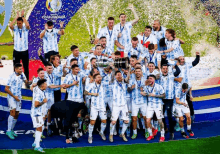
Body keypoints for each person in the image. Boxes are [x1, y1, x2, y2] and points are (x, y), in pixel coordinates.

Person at [5, 63, 28, 140]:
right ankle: (8, 131)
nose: (21, 70)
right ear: (15, 69)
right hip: (12, 97)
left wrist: (31, 81)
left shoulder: (22, 75)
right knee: (13, 112)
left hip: (19, 97)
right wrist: (14, 96)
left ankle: (11, 129)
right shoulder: (11, 77)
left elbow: (27, 83)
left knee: (17, 114)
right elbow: (6, 89)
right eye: (20, 69)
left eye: (22, 69)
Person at [176, 52, 200, 122]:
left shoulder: (187, 64)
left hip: (187, 88)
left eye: (183, 59)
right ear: (178, 60)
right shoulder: (176, 67)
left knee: (189, 102)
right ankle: (179, 118)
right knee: (178, 103)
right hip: (179, 88)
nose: (182, 60)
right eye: (181, 59)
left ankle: (192, 115)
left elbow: (195, 62)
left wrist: (197, 56)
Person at [141, 75, 166, 142]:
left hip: (158, 105)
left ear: (154, 79)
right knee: (147, 120)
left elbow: (164, 95)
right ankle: (151, 134)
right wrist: (143, 93)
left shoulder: (159, 86)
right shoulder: (146, 87)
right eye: (149, 78)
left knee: (160, 121)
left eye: (151, 78)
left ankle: (162, 136)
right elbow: (143, 92)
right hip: (150, 105)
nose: (150, 80)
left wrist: (155, 95)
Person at [159, 64, 181, 140]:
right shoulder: (159, 76)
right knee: (161, 116)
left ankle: (171, 132)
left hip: (169, 99)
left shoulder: (171, 75)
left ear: (168, 69)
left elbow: (178, 71)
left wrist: (175, 65)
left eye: (166, 68)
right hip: (161, 99)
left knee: (169, 116)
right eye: (163, 68)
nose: (165, 70)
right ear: (161, 69)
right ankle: (165, 128)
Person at [84, 74, 107, 143]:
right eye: (98, 77)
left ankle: (101, 132)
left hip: (102, 106)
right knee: (92, 122)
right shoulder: (91, 85)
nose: (100, 78)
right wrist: (92, 94)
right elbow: (85, 92)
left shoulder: (103, 84)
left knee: (104, 121)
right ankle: (90, 135)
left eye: (100, 77)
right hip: (94, 106)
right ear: (95, 79)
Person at [109, 70, 130, 142]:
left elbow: (127, 78)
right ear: (115, 76)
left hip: (124, 105)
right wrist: (113, 68)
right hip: (116, 105)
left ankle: (122, 133)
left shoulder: (124, 83)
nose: (119, 76)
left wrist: (129, 69)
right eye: (118, 75)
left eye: (120, 75)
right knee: (113, 121)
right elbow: (111, 78)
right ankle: (111, 134)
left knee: (126, 121)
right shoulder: (113, 83)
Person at [9, 10, 30, 81]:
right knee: (15, 66)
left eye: (20, 23)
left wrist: (23, 16)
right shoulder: (15, 28)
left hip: (24, 51)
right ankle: (15, 80)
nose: (18, 24)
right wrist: (16, 17)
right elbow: (10, 25)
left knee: (25, 67)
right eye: (17, 23)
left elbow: (27, 25)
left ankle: (26, 81)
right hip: (16, 51)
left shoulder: (25, 28)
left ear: (22, 22)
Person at [127, 68, 148, 139]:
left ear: (141, 72)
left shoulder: (145, 80)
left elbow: (148, 91)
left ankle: (147, 131)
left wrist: (144, 91)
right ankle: (135, 133)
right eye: (136, 71)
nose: (137, 72)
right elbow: (128, 90)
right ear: (134, 72)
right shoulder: (131, 80)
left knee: (145, 118)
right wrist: (131, 88)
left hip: (143, 101)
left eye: (139, 71)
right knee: (134, 118)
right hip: (134, 102)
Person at [31, 79, 47, 153]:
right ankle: (37, 146)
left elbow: (33, 87)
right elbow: (36, 104)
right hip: (36, 113)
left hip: (39, 113)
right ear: (42, 85)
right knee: (39, 128)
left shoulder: (37, 89)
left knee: (40, 127)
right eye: (45, 84)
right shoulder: (39, 93)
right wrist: (43, 102)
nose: (46, 85)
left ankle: (35, 143)